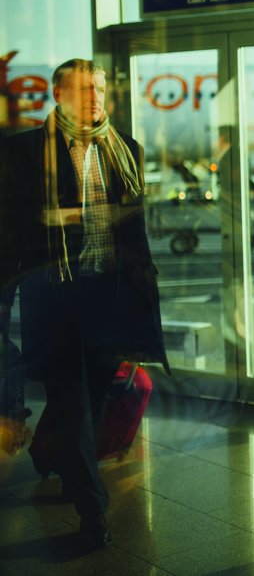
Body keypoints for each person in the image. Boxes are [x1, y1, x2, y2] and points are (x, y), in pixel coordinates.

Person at [0, 59, 168, 549]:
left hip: (108, 299)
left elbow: (133, 235)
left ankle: (54, 456)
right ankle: (93, 510)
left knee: (91, 404)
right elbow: (10, 235)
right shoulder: (23, 152)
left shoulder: (126, 150)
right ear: (58, 94)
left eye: (99, 88)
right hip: (52, 298)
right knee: (72, 405)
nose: (94, 97)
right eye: (82, 88)